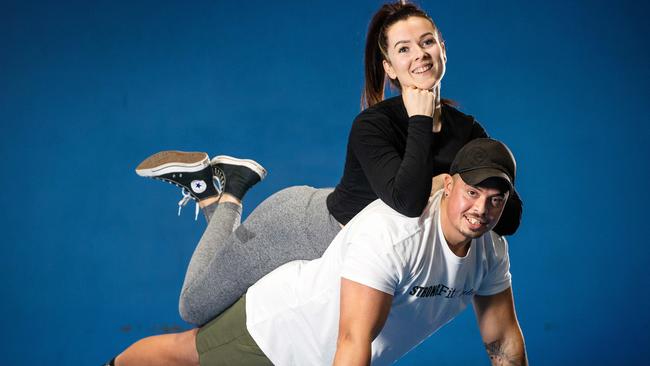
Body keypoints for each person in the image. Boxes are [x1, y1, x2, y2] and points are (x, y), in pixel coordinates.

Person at [134, 0, 523, 327]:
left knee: (242, 319)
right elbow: (406, 204)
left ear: (442, 49)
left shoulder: (468, 130)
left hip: (349, 259)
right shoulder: (373, 125)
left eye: (427, 42)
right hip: (298, 231)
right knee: (196, 310)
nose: (419, 54)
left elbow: (507, 217)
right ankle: (228, 192)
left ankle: (219, 189)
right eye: (403, 49)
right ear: (388, 67)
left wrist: (443, 181)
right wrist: (422, 124)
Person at [108, 138, 528, 366]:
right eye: (472, 193)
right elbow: (352, 339)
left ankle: (223, 197)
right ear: (448, 185)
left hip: (322, 351)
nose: (481, 209)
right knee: (184, 348)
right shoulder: (398, 236)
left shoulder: (491, 252)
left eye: (496, 200)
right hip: (278, 336)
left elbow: (503, 338)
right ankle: (224, 199)